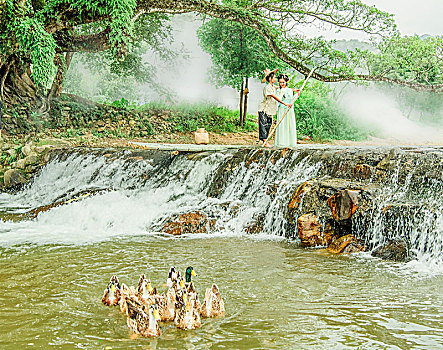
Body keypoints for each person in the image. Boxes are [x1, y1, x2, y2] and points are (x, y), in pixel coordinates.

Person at [257, 68, 291, 147]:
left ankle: (265, 140)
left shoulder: (273, 86)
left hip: (270, 110)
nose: (275, 79)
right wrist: (284, 103)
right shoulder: (267, 87)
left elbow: (283, 88)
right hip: (264, 109)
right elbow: (274, 96)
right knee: (263, 125)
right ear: (270, 79)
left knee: (269, 124)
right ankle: (265, 141)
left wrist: (294, 90)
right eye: (274, 78)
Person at [274, 73, 299, 147]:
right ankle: (282, 142)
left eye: (283, 82)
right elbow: (278, 99)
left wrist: (297, 95)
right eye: (280, 82)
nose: (282, 84)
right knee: (282, 125)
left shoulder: (290, 90)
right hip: (282, 109)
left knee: (289, 124)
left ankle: (290, 142)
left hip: (289, 110)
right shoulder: (278, 90)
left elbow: (291, 99)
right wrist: (281, 93)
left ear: (286, 82)